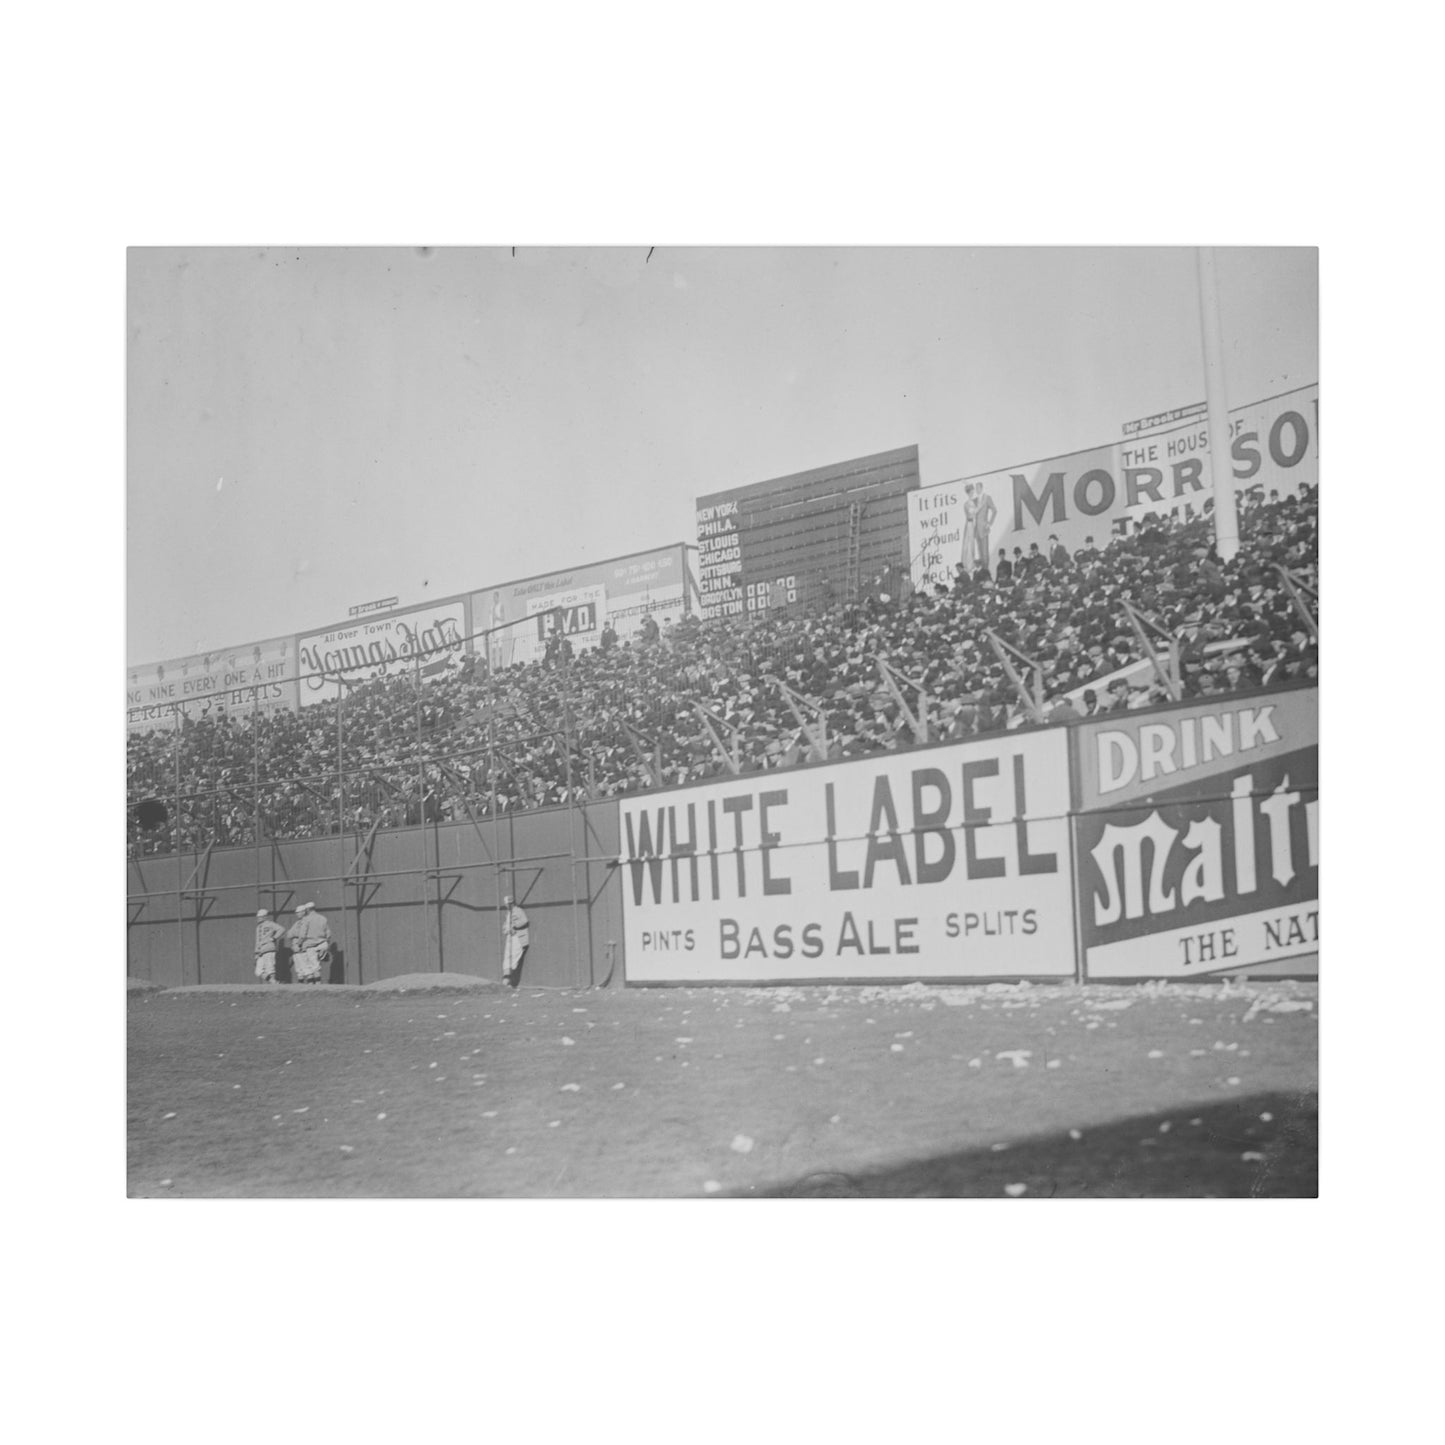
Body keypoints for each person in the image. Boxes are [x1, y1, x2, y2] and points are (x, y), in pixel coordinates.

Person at [287, 901, 331, 985]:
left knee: (314, 967)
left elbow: (302, 935)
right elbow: (328, 933)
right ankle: (322, 953)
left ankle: (317, 985)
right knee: (316, 963)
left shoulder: (306, 919)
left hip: (311, 945)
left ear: (307, 910)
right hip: (322, 943)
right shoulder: (323, 918)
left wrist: (298, 944)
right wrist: (327, 943)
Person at [501, 894, 530, 987]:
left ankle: (509, 982)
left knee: (514, 959)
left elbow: (525, 920)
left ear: (511, 903)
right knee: (507, 958)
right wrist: (506, 928)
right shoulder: (509, 912)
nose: (506, 905)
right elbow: (506, 924)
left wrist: (514, 926)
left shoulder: (518, 910)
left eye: (507, 904)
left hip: (518, 937)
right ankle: (505, 980)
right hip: (509, 937)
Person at [253, 907, 286, 983]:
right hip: (261, 951)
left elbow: (282, 929)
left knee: (270, 969)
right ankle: (275, 983)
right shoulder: (258, 927)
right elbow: (257, 941)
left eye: (260, 917)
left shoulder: (270, 924)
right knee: (258, 971)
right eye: (258, 917)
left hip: (269, 948)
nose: (258, 918)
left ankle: (273, 985)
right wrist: (256, 952)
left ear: (265, 917)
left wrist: (274, 938)